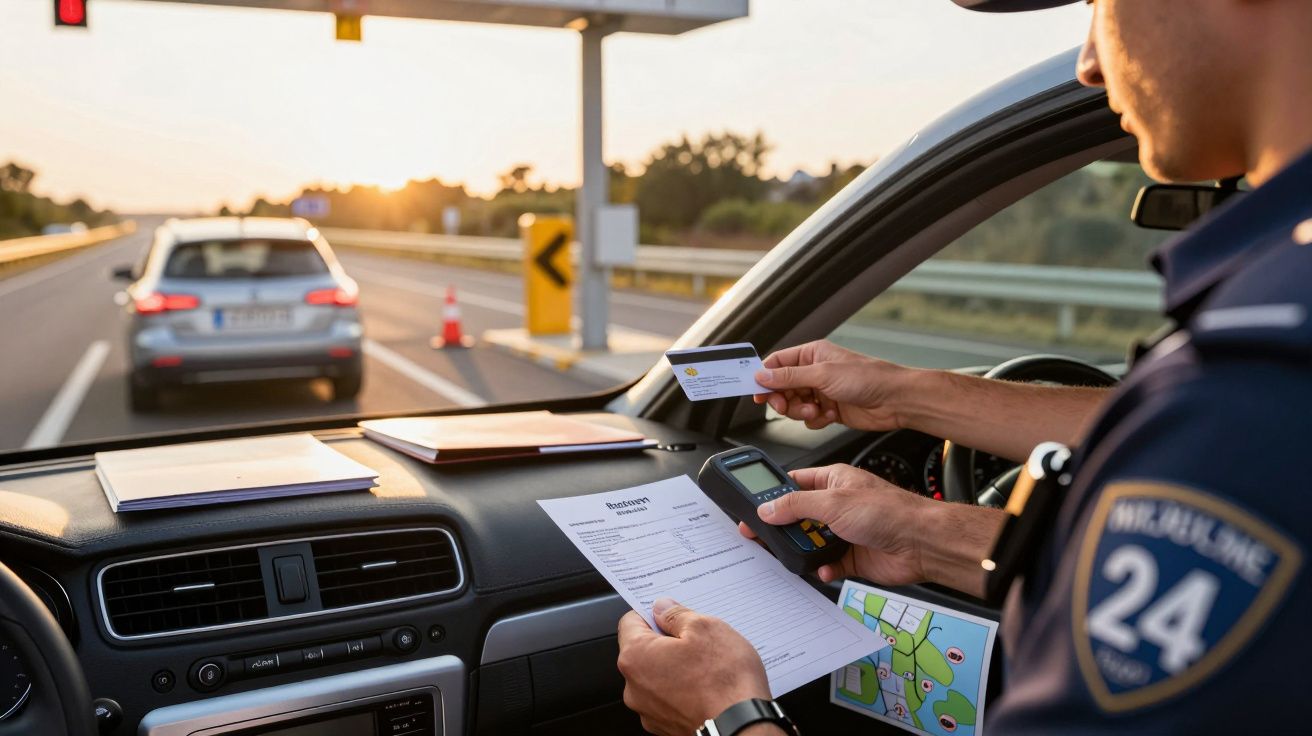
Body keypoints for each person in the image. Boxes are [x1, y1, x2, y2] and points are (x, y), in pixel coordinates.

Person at [617, 0, 1312, 733]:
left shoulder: (1259, 382)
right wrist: (924, 525)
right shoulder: (1257, 361)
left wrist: (728, 717)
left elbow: (1213, 434)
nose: (1089, 60)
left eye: (1099, 3)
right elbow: (1157, 429)